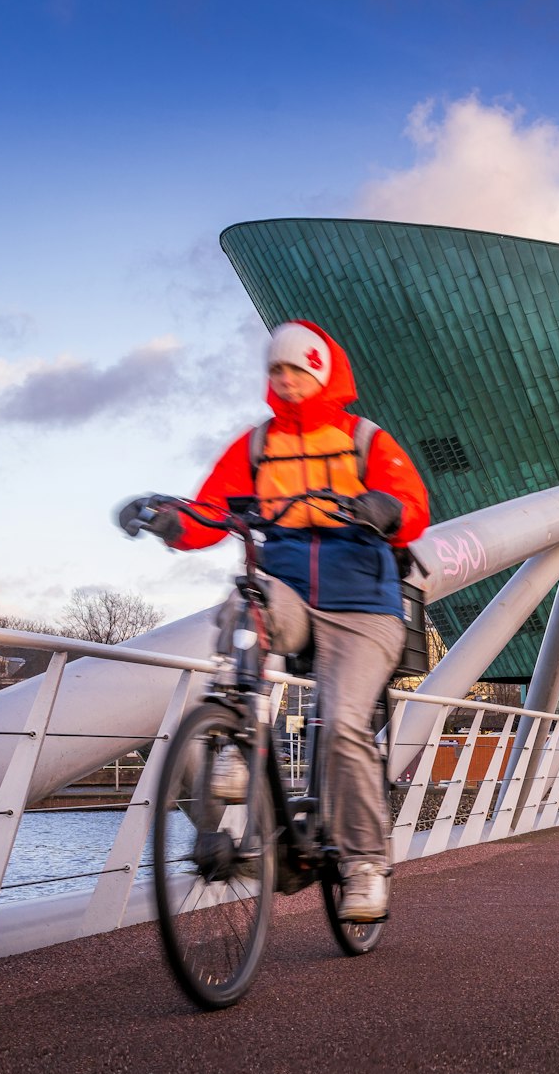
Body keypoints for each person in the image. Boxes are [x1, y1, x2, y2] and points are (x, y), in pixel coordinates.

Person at [118, 320, 430, 922]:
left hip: (362, 607)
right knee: (244, 598)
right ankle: (238, 725)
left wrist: (383, 508)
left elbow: (412, 508)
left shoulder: (365, 441)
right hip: (288, 591)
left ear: (321, 375)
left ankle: (366, 864)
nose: (285, 382)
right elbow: (212, 512)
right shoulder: (257, 446)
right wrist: (169, 522)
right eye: (276, 372)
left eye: (297, 372)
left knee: (342, 726)